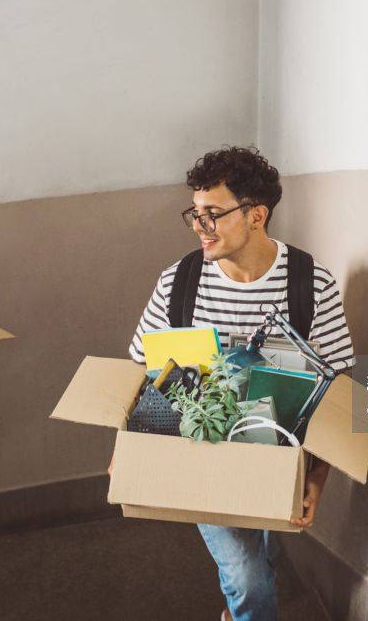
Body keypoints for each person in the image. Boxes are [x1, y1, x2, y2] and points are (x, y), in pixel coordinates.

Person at [128, 147, 355, 621]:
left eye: (213, 213)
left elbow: (338, 394)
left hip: (281, 458)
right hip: (204, 459)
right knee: (249, 578)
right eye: (195, 213)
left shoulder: (310, 284)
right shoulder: (179, 283)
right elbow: (140, 375)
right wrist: (126, 451)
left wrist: (316, 481)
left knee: (264, 560)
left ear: (256, 215)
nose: (199, 225)